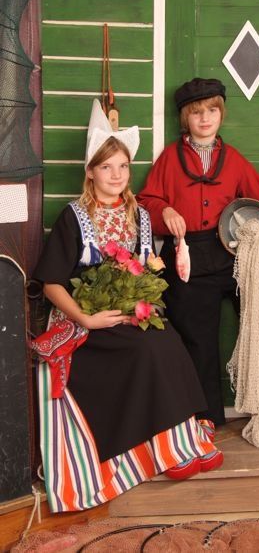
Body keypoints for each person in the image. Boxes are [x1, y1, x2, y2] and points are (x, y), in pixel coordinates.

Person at [30, 100, 222, 513]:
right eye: (106, 168)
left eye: (122, 167)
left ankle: (178, 442)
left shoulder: (140, 215)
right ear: (90, 172)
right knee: (145, 349)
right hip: (84, 316)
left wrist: (143, 302)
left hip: (129, 311)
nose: (116, 176)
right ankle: (155, 450)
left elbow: (145, 271)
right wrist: (86, 318)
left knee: (169, 342)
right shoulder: (75, 217)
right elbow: (50, 283)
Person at [137, 77, 259, 427]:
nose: (205, 118)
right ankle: (204, 415)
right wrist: (165, 211)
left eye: (211, 111)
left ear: (221, 114)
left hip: (231, 253)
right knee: (195, 326)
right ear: (184, 119)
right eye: (196, 113)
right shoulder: (169, 160)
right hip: (188, 256)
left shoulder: (233, 160)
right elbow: (147, 199)